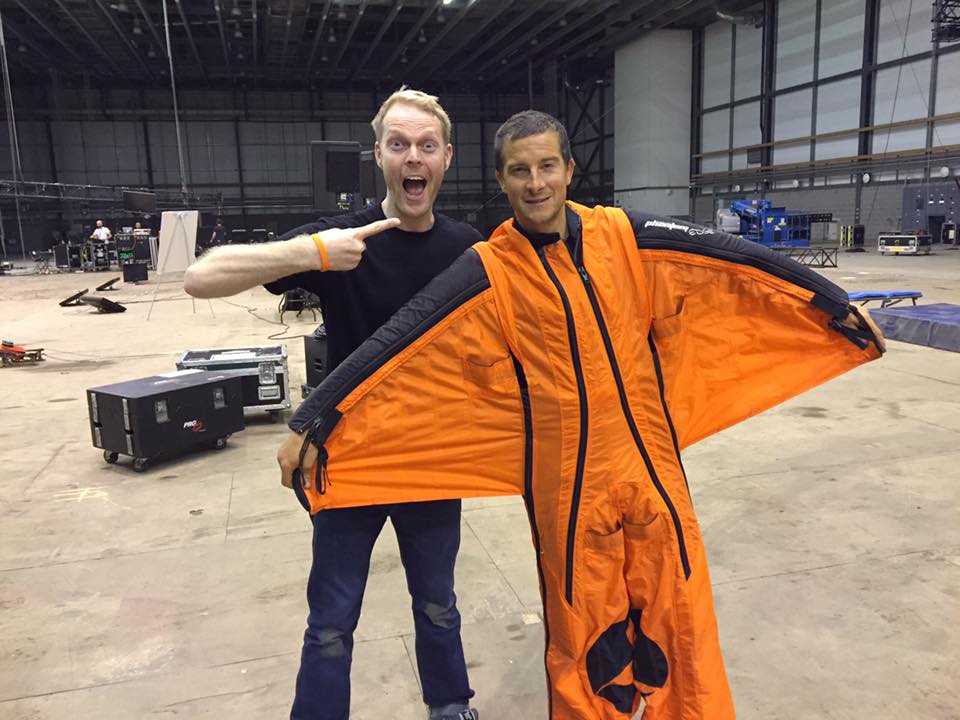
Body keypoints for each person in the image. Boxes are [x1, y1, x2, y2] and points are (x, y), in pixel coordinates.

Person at [278, 111, 886, 720]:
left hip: (651, 464)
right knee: (583, 632)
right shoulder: (490, 266)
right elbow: (404, 340)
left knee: (680, 614)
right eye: (520, 171)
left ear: (569, 170)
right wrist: (316, 417)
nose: (535, 183)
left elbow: (729, 258)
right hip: (568, 486)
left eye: (547, 166)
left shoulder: (624, 234)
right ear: (502, 180)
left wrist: (830, 302)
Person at [184, 88, 482, 720]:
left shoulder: (467, 247)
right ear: (379, 155)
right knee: (331, 620)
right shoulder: (340, 240)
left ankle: (450, 708)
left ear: (446, 157)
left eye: (426, 146)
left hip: (431, 462)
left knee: (437, 604)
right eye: (399, 144)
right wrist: (312, 253)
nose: (413, 157)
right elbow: (200, 277)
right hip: (347, 458)